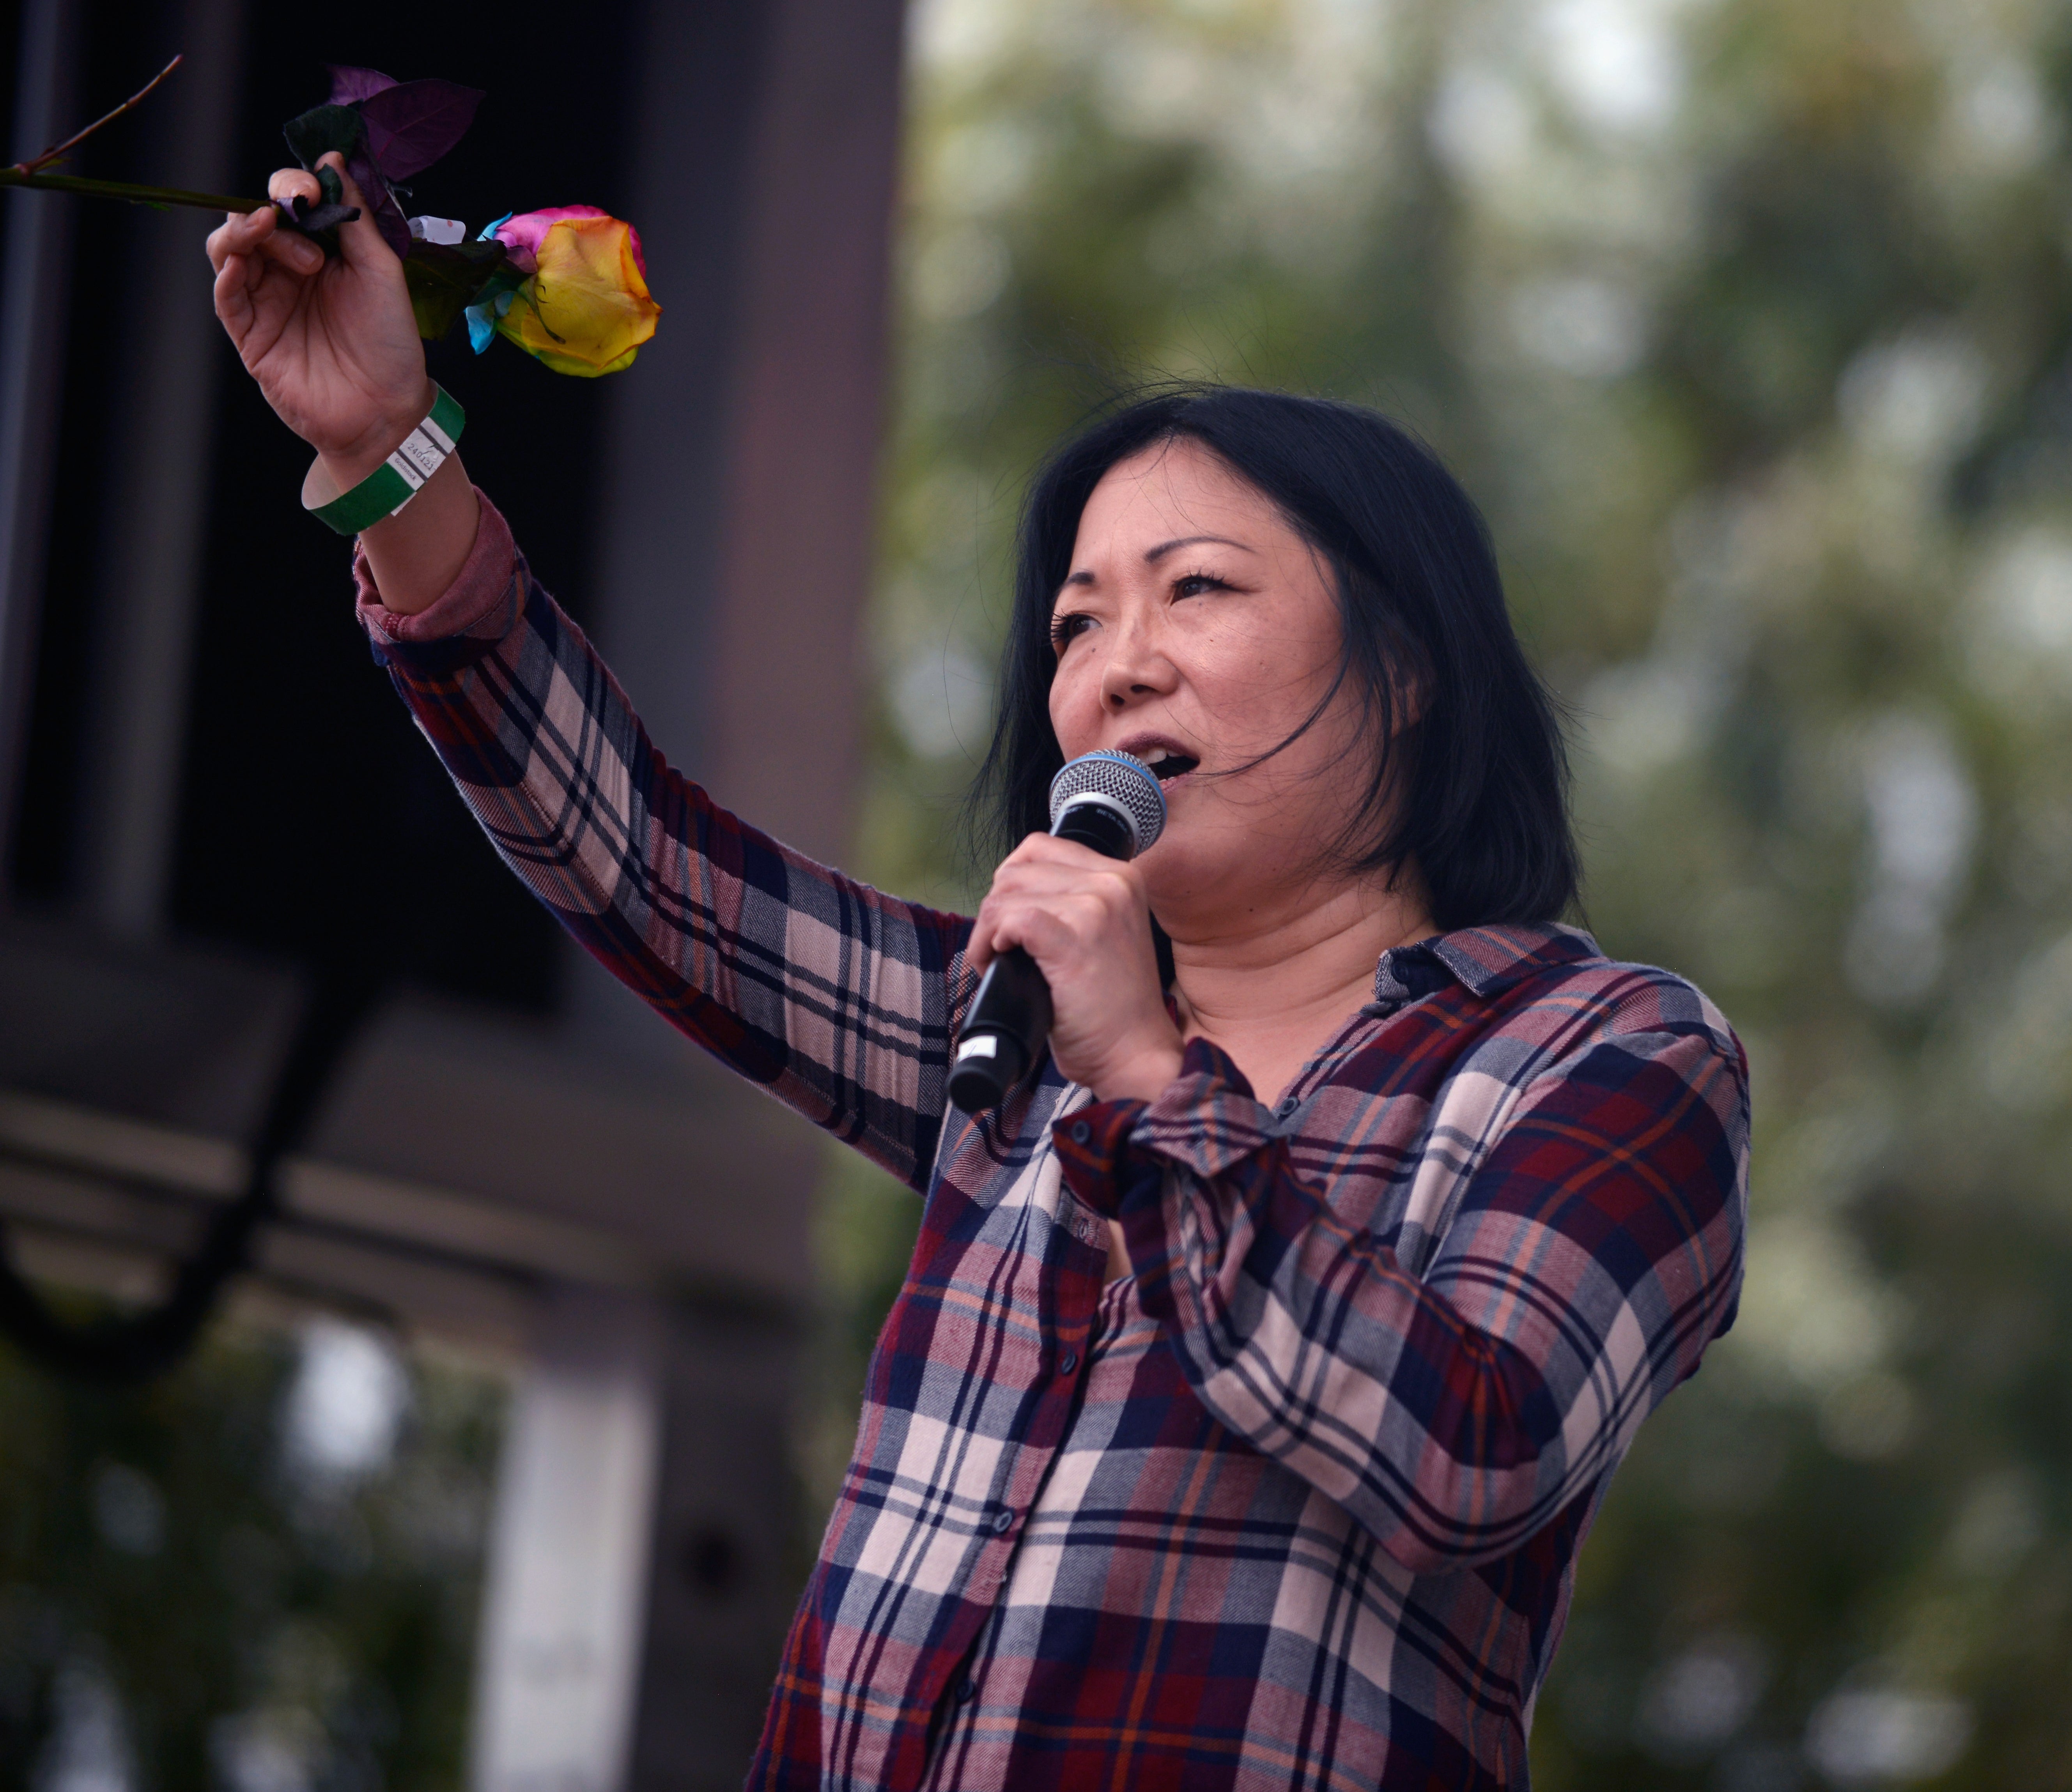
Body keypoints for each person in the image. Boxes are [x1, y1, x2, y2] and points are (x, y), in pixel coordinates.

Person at [208, 160, 1750, 1791]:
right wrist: (389, 449)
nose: (1116, 663)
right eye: (1077, 624)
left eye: (1198, 591)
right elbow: (647, 865)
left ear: (1412, 666)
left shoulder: (1609, 1050)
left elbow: (1474, 1449)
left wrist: (1157, 1081)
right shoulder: (1017, 1026)